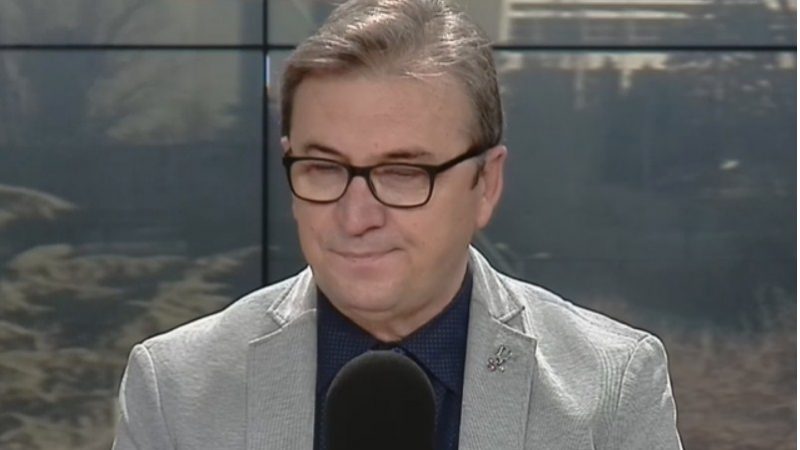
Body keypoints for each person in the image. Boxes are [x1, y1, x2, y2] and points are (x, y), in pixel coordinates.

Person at [112, 0, 683, 448]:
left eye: (404, 173)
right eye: (323, 168)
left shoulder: (611, 386)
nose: (356, 216)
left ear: (486, 184)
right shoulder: (175, 388)